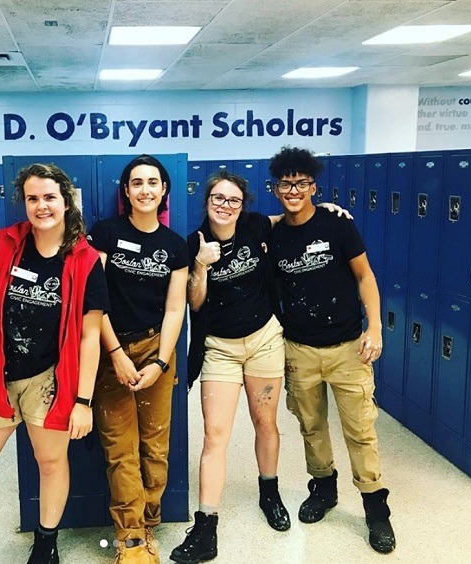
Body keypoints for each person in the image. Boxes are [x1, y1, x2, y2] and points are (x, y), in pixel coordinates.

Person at [0, 163, 108, 564]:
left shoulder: (85, 259)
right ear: (23, 202)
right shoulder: (3, 244)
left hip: (48, 378)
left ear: (66, 202)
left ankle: (46, 546)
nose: (41, 206)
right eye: (33, 198)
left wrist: (82, 400)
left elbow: (89, 335)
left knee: (50, 461)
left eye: (50, 197)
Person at [267, 146, 396, 554]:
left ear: (313, 186)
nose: (293, 190)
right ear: (276, 188)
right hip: (299, 348)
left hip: (347, 349)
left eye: (301, 183)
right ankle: (324, 489)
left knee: (360, 430)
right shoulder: (273, 232)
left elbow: (365, 275)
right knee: (311, 425)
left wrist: (374, 326)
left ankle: (376, 510)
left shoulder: (337, 224)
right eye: (286, 184)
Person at [170, 170, 289, 564]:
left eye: (233, 200)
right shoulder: (193, 244)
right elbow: (196, 303)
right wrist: (202, 265)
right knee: (215, 433)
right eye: (218, 198)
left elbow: (286, 216)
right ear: (206, 202)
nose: (225, 206)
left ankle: (269, 492)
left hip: (264, 340)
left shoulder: (255, 226)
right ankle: (206, 525)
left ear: (243, 206)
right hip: (219, 347)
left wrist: (326, 208)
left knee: (265, 421)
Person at [87, 155, 188, 564]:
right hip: (112, 351)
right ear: (125, 191)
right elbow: (93, 301)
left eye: (152, 182)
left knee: (156, 445)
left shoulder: (175, 246)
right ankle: (131, 539)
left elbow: (174, 310)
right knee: (120, 448)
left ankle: (148, 521)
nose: (145, 189)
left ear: (163, 190)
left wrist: (161, 362)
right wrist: (115, 355)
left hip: (155, 351)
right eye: (136, 183)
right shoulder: (105, 234)